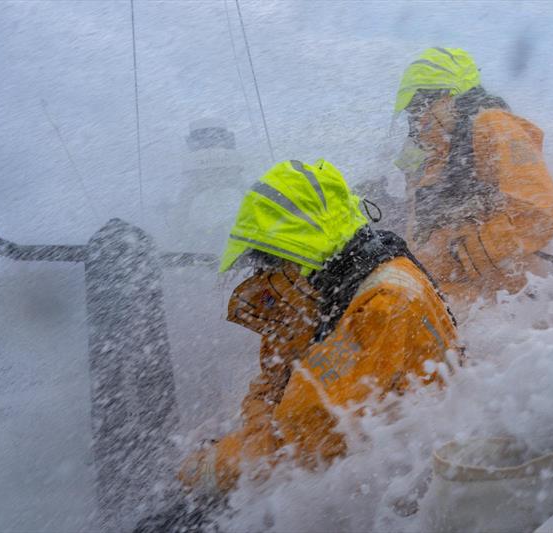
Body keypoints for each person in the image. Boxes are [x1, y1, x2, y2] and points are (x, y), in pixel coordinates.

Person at [175, 159, 459, 512]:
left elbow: (302, 440)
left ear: (300, 249)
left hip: (400, 499)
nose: (266, 275)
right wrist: (250, 435)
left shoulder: (383, 301)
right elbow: (274, 384)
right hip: (347, 480)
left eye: (271, 261)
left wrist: (211, 468)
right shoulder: (330, 292)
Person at [393, 47, 553, 313]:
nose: (417, 120)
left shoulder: (491, 125)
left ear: (449, 99)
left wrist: (459, 252)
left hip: (512, 304)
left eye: (421, 107)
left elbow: (540, 211)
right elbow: (420, 234)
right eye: (412, 112)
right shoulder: (431, 161)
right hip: (458, 307)